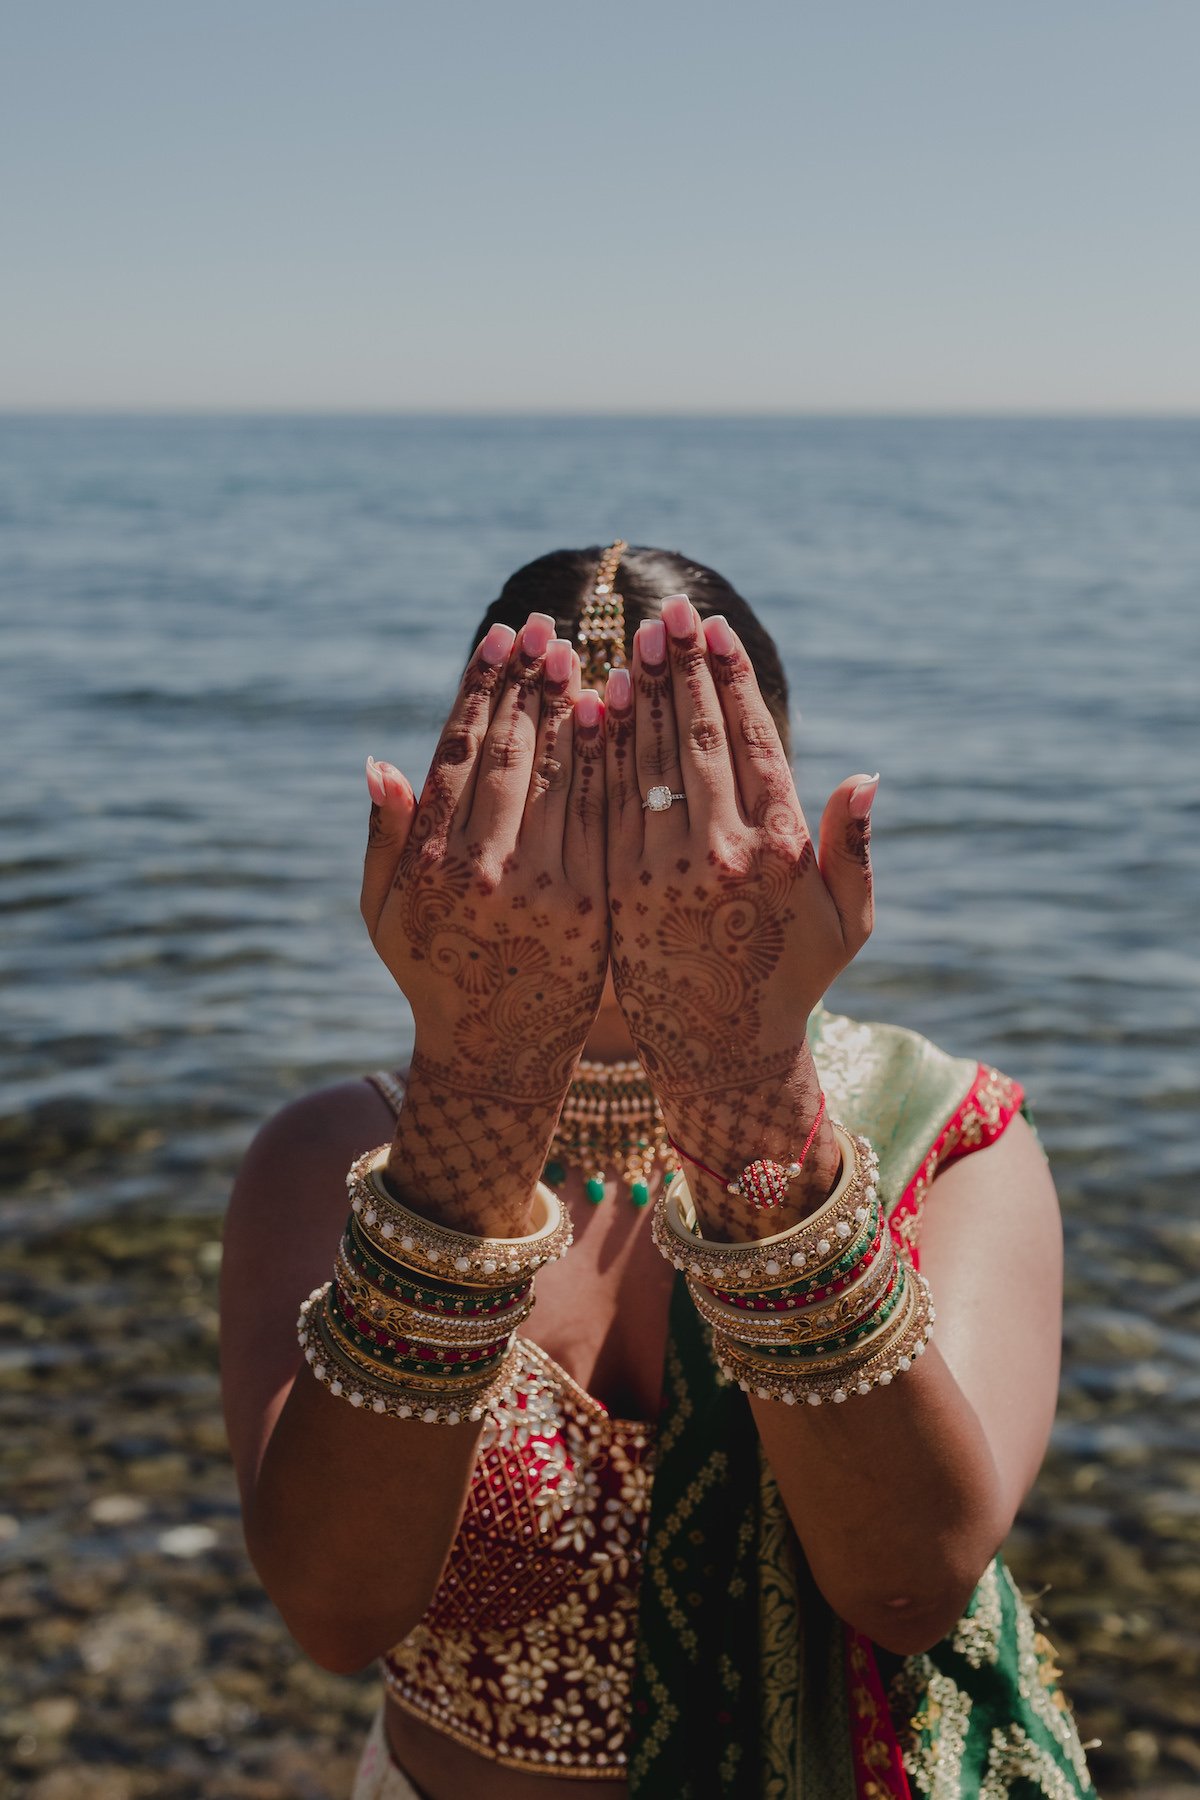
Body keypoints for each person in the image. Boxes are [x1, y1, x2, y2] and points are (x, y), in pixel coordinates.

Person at [220, 544, 1097, 1800]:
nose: (622, 852)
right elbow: (334, 1614)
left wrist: (747, 1087)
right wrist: (479, 1080)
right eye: (568, 800)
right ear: (448, 819)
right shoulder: (330, 1159)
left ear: (802, 829)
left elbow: (910, 1584)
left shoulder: (947, 1137)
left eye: (676, 792)